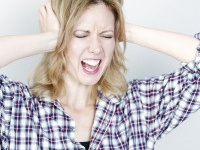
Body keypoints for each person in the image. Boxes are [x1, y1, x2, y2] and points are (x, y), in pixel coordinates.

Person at [0, 0, 199, 149]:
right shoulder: (14, 106)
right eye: (81, 35)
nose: (96, 48)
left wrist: (127, 31)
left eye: (106, 36)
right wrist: (50, 40)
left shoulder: (139, 106)